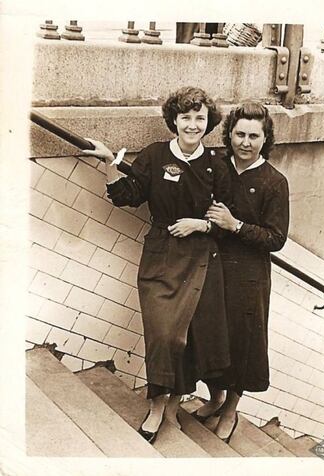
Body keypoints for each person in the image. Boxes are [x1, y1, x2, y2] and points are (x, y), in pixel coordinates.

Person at [83, 86, 232, 444]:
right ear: (174, 121)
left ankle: (171, 404)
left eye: (200, 118)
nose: (193, 125)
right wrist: (109, 162)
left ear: (208, 121)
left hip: (200, 258)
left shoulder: (217, 165)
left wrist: (201, 224)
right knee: (162, 334)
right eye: (186, 117)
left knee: (186, 337)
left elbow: (226, 222)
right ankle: (157, 404)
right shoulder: (153, 155)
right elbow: (128, 196)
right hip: (161, 253)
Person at [196, 101, 290, 442]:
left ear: (266, 139)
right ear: (229, 134)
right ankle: (214, 398)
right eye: (239, 134)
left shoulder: (274, 181)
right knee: (210, 337)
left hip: (249, 276)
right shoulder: (217, 164)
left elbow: (276, 238)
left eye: (254, 136)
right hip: (212, 266)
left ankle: (231, 410)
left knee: (241, 342)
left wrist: (235, 225)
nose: (245, 143)